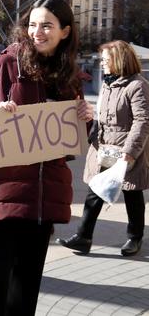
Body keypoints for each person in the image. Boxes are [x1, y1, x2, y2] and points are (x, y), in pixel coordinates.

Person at [0, 0, 94, 316]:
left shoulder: (70, 78)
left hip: (44, 204)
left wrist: (85, 119)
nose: (37, 32)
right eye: (32, 24)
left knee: (24, 295)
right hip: (3, 199)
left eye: (47, 25)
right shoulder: (4, 65)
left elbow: (70, 147)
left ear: (65, 32)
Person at [57, 40, 149, 257]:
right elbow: (102, 115)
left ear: (119, 61)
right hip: (105, 150)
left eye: (107, 60)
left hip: (127, 153)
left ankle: (134, 237)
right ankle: (83, 238)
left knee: (132, 195)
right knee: (94, 193)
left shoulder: (137, 85)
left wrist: (129, 153)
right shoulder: (109, 84)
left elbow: (142, 121)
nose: (103, 64)